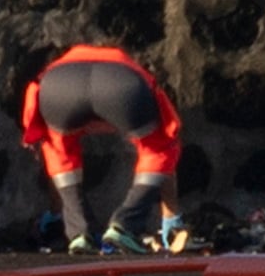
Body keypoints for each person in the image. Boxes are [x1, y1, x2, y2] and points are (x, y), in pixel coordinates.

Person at [21, 44, 187, 254]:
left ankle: (81, 234)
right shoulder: (129, 66)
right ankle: (125, 226)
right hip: (120, 85)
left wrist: (58, 213)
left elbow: (56, 164)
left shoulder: (61, 63)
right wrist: (171, 218)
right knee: (159, 148)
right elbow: (165, 148)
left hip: (59, 86)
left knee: (58, 150)